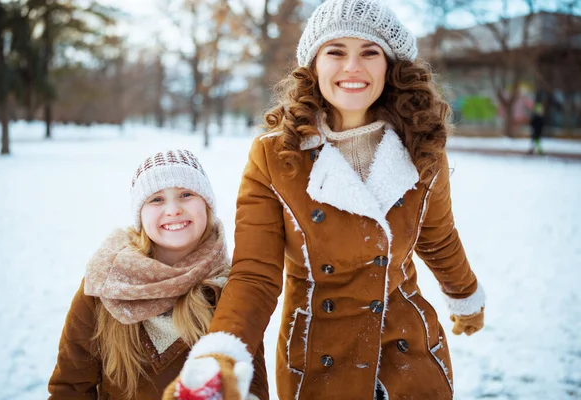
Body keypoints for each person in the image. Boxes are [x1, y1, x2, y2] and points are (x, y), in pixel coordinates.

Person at [173, 0, 486, 399]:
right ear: (314, 65)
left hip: (409, 357)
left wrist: (464, 295)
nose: (352, 67)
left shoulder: (422, 148)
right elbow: (256, 273)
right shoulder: (274, 157)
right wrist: (223, 352)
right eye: (335, 52)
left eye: (369, 52)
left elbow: (437, 237)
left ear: (391, 67)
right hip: (318, 359)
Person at [47, 149, 268, 400]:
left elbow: (253, 386)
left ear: (206, 205)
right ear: (140, 213)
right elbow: (70, 388)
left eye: (186, 194)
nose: (173, 210)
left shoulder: (234, 288)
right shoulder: (107, 282)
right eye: (156, 199)